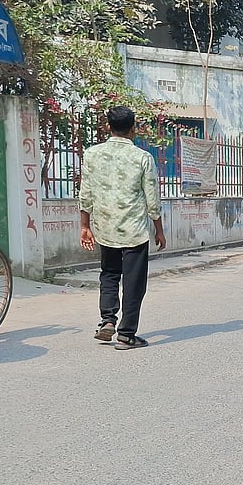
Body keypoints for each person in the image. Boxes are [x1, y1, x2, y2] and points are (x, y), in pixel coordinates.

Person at [79, 105, 166, 351]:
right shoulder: (142, 158)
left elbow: (85, 194)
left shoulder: (92, 154)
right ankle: (126, 334)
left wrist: (84, 225)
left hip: (105, 227)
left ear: (108, 127)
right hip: (134, 230)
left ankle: (108, 320)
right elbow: (152, 199)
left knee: (109, 274)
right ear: (133, 128)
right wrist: (159, 230)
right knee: (133, 282)